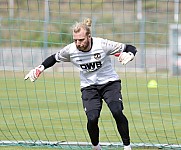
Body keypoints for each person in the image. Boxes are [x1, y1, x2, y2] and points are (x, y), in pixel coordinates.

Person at [24, 18, 137, 150]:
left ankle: (127, 147)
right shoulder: (71, 50)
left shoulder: (102, 44)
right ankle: (96, 147)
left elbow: (129, 47)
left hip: (109, 83)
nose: (78, 43)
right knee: (92, 118)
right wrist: (40, 68)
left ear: (89, 36)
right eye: (75, 40)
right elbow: (54, 58)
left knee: (117, 111)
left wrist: (130, 54)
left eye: (81, 40)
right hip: (89, 87)